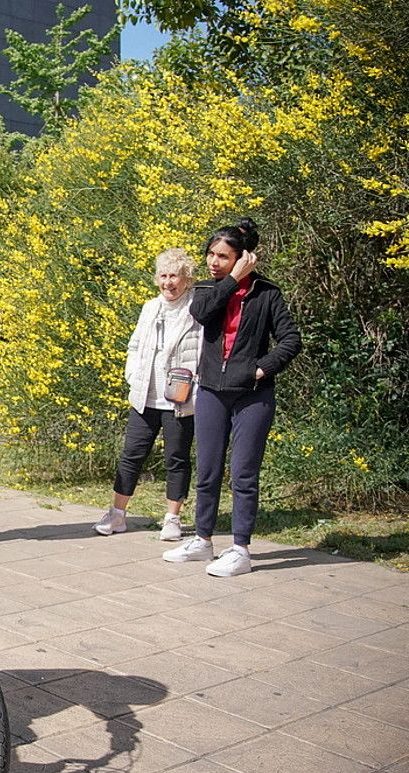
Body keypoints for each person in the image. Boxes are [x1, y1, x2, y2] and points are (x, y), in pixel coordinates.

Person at [163, 218, 302, 576]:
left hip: (252, 396)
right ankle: (203, 540)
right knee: (207, 471)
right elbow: (201, 314)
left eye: (223, 256)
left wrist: (261, 368)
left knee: (243, 474)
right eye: (211, 254)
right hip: (210, 392)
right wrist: (231, 280)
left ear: (243, 258)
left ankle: (240, 549)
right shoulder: (210, 290)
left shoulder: (268, 294)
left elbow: (290, 340)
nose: (213, 261)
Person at [93, 248, 201, 540]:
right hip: (145, 395)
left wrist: (197, 385)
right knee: (131, 455)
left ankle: (172, 518)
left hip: (179, 398)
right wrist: (132, 375)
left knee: (176, 458)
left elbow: (203, 352)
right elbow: (134, 345)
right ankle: (117, 514)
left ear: (187, 279)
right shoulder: (150, 307)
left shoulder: (196, 309)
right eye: (164, 276)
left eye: (174, 276)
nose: (168, 282)